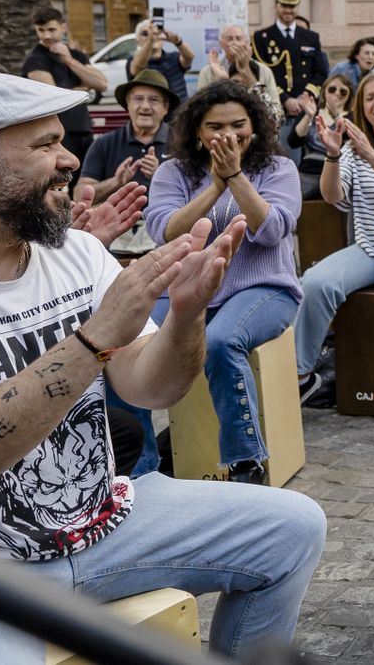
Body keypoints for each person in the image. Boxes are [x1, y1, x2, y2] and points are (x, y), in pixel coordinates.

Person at [0, 71, 326, 664]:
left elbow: (149, 386)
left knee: (294, 528)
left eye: (63, 141)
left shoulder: (74, 252)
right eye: (44, 145)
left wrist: (185, 319)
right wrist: (93, 339)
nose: (70, 160)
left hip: (105, 522)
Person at [135, 80, 303, 485]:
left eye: (238, 124)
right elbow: (166, 231)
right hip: (187, 289)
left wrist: (236, 177)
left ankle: (246, 463)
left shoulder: (278, 168)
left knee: (224, 341)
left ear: (256, 127)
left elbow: (273, 229)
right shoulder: (173, 172)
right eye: (215, 126)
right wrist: (214, 185)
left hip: (264, 288)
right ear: (197, 130)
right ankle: (140, 463)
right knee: (128, 340)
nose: (228, 135)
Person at [292, 70, 374, 403]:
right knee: (314, 283)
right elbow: (332, 195)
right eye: (369, 98)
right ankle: (300, 374)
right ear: (362, 109)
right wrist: (334, 155)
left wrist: (369, 154)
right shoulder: (353, 149)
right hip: (368, 249)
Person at [75, 69, 177, 255]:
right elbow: (79, 196)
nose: (145, 106)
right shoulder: (105, 143)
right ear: (127, 104)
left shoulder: (181, 143)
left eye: (153, 100)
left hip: (167, 233)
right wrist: (114, 182)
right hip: (114, 235)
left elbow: (197, 194)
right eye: (138, 99)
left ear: (166, 107)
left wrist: (162, 176)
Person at [21, 7, 106, 164]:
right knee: (62, 186)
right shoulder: (35, 59)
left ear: (64, 27)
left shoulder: (76, 55)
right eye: (41, 30)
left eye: (51, 29)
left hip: (84, 129)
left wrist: (69, 61)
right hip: (56, 135)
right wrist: (81, 90)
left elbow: (102, 84)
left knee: (84, 183)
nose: (46, 35)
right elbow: (54, 98)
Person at [251, 0, 329, 137]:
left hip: (307, 109)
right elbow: (260, 75)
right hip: (277, 110)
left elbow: (321, 72)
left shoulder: (310, 37)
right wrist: (286, 99)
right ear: (276, 6)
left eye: (292, 6)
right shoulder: (261, 38)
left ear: (298, 7)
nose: (288, 10)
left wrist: (305, 97)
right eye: (284, 6)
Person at [287, 73, 353, 199]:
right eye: (332, 89)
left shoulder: (352, 116)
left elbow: (348, 136)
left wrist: (336, 114)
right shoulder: (311, 111)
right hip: (308, 173)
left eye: (343, 92)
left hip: (339, 174)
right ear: (324, 91)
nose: (337, 94)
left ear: (349, 96)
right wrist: (309, 116)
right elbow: (294, 141)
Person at [199, 24, 282, 115]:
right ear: (221, 44)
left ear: (247, 43)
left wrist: (249, 77)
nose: (234, 42)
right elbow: (200, 108)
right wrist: (221, 81)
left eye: (238, 38)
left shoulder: (263, 70)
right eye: (229, 39)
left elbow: (276, 111)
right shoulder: (208, 71)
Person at [127, 18, 193, 102]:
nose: (154, 35)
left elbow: (189, 57)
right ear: (138, 41)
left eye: (158, 33)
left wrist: (177, 41)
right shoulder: (133, 62)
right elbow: (137, 67)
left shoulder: (174, 57)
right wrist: (150, 40)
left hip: (180, 112)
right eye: (145, 33)